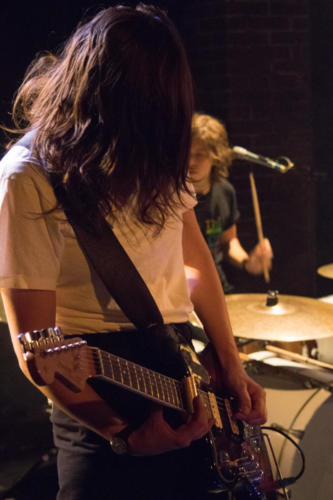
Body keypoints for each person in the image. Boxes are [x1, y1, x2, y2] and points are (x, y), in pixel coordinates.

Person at [0, 5, 266, 499]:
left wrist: (229, 360)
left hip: (178, 356)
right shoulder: (30, 176)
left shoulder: (153, 151)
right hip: (95, 378)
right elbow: (34, 344)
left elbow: (194, 254)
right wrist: (120, 433)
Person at [190, 113, 273, 294]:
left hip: (216, 287)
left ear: (216, 156)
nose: (191, 161)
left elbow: (228, 242)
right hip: (181, 291)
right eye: (186, 154)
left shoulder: (224, 191)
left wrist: (247, 262)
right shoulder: (170, 195)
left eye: (200, 154)